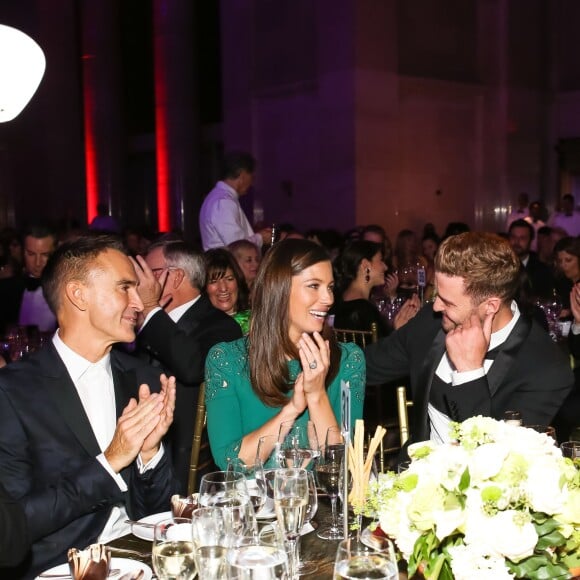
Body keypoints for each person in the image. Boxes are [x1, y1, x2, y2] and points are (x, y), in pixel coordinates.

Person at [0, 235, 176, 578]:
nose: (139, 302)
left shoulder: (141, 379)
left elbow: (154, 515)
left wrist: (148, 454)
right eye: (125, 287)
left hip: (138, 560)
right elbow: (16, 525)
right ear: (78, 295)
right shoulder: (13, 392)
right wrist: (110, 462)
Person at [365, 232, 573, 446]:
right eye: (437, 295)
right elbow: (367, 365)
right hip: (414, 470)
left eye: (448, 301)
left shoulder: (547, 369)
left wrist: (470, 373)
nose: (436, 306)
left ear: (491, 306)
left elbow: (498, 462)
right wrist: (330, 350)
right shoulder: (432, 322)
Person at [205, 239, 365, 469]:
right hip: (254, 503)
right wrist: (291, 411)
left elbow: (345, 469)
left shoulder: (348, 360)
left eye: (330, 287)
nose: (329, 299)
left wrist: (317, 394)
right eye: (314, 286)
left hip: (320, 503)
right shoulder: (228, 360)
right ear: (278, 289)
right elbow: (231, 463)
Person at [132, 239, 242, 492]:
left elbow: (192, 367)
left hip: (183, 468)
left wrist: (150, 309)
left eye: (148, 273)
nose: (139, 283)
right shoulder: (143, 324)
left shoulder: (220, 326)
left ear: (176, 276)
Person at [332, 241, 419, 337]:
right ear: (365, 265)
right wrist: (397, 329)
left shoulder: (340, 300)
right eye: (381, 260)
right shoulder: (364, 310)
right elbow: (378, 350)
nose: (385, 267)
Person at [199, 151, 271, 250]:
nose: (252, 183)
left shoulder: (218, 197)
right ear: (243, 175)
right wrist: (261, 238)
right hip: (225, 264)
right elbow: (236, 246)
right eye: (252, 177)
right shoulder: (223, 202)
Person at [17, 225, 58, 333]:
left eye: (45, 255)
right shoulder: (6, 289)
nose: (38, 263)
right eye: (31, 254)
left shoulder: (67, 289)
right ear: (22, 253)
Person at [204, 248, 251, 333]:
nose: (223, 288)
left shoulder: (258, 321)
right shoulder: (201, 329)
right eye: (213, 281)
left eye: (229, 279)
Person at [508, 219, 555, 300]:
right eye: (513, 237)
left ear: (531, 241)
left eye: (522, 238)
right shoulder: (499, 267)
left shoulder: (542, 270)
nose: (517, 242)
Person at [553, 236, 580, 317]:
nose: (562, 265)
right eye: (559, 261)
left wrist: (570, 312)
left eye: (568, 260)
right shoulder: (560, 282)